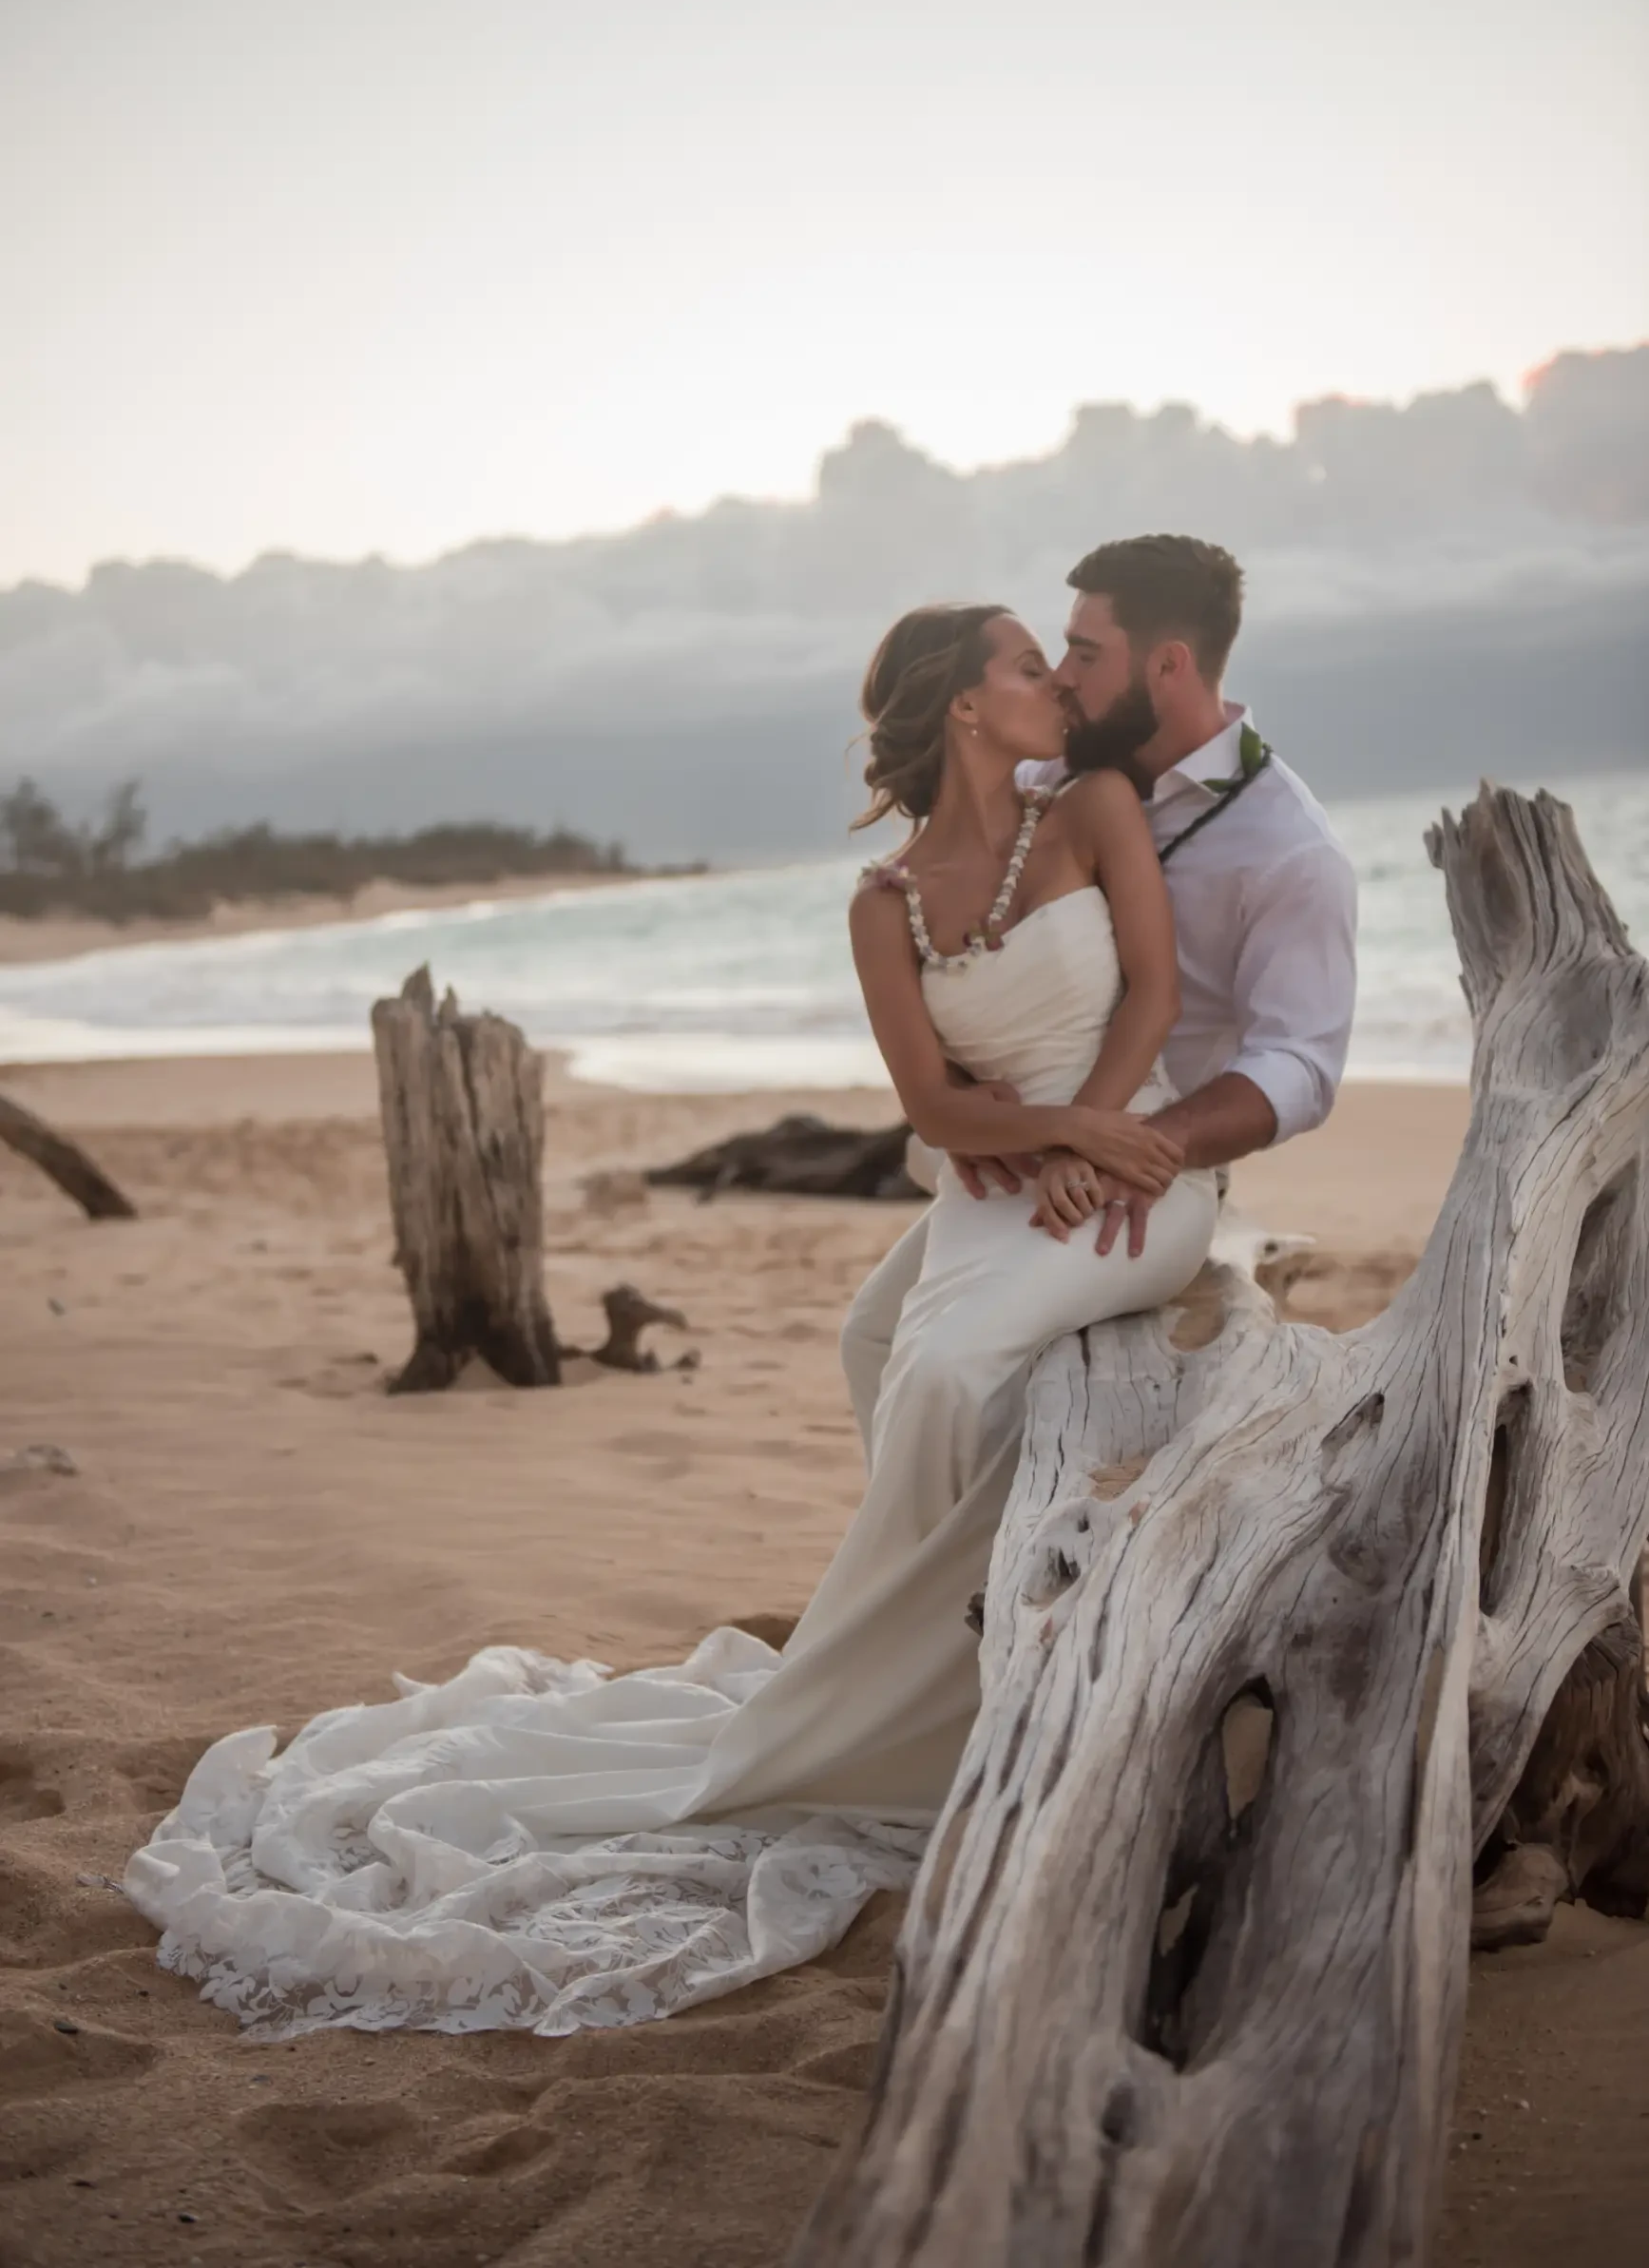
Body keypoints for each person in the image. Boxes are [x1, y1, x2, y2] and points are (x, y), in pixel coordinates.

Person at [120, 593, 1223, 2044]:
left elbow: (1150, 989)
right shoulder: (880, 903)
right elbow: (927, 1104)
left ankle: (949, 1685)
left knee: (948, 1367)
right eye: (1027, 665)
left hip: (1127, 1173)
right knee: (886, 1353)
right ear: (966, 705)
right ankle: (940, 1679)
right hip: (1001, 1176)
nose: (1051, 685)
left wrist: (1090, 1135)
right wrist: (1025, 1141)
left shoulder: (1088, 807)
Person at [841, 534, 1358, 1458]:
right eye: (1054, 654)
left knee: (955, 1365)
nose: (1064, 678)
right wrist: (970, 1082)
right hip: (1040, 1145)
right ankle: (937, 1585)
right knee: (873, 1338)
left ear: (1166, 664)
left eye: (1083, 654)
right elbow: (962, 935)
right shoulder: (1046, 773)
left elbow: (1300, 1063)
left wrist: (1138, 1143)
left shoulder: (1289, 848)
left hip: (1151, 1158)